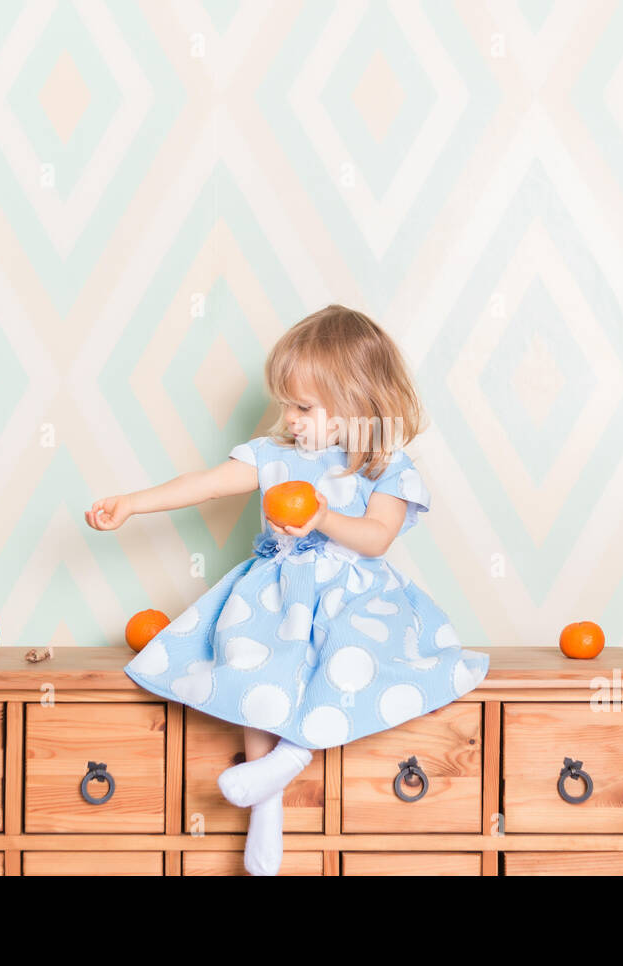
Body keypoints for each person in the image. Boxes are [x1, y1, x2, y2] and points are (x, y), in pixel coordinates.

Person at [86, 304, 489, 875]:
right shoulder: (275, 457)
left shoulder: (384, 468)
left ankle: (289, 758)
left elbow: (375, 539)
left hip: (359, 597)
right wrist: (133, 503)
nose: (290, 417)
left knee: (353, 661)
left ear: (355, 403)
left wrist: (323, 518)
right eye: (286, 404)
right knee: (254, 665)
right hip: (280, 592)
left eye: (303, 406)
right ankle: (267, 804)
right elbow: (205, 484)